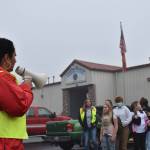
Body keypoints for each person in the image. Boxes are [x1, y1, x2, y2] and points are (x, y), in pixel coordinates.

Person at [0, 38, 33, 150]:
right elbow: (20, 106)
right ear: (6, 58)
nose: (15, 60)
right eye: (14, 55)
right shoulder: (2, 78)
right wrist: (27, 87)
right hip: (5, 142)